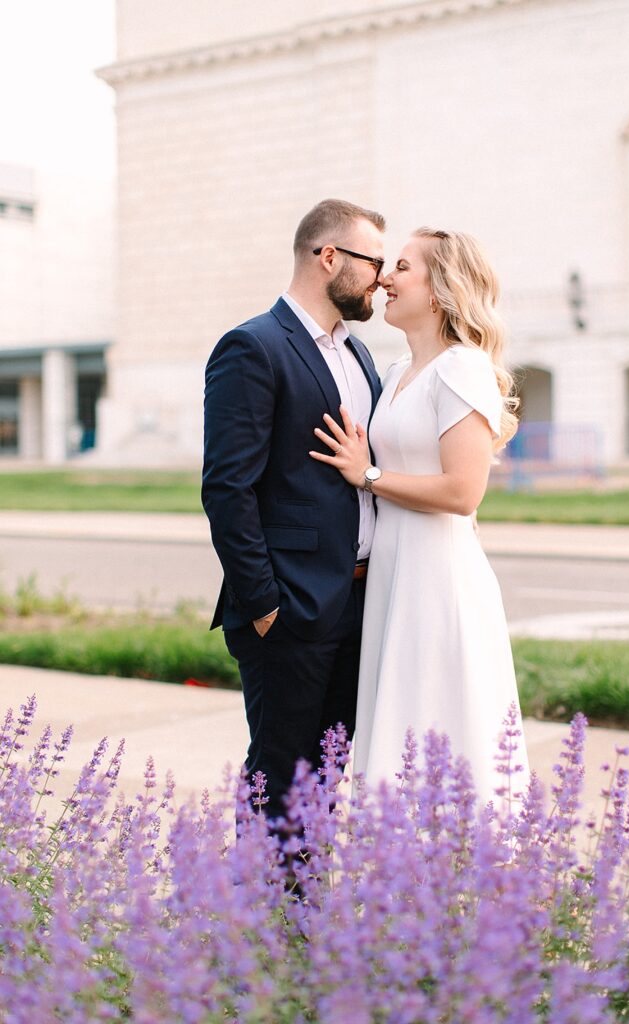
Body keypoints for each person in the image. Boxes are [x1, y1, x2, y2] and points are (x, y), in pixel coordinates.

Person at [310, 228, 530, 803]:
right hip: (394, 568)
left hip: (438, 572)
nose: (384, 277)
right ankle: (401, 872)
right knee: (401, 717)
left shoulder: (461, 368)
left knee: (442, 716)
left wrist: (370, 475)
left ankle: (465, 870)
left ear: (439, 290)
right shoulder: (397, 369)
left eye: (401, 267)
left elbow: (464, 491)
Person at [202, 199, 385, 826]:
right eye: (374, 262)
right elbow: (228, 488)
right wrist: (263, 606)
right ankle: (262, 918)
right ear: (328, 256)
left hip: (359, 602)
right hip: (289, 610)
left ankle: (311, 916)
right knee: (279, 775)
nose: (382, 278)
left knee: (328, 776)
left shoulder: (359, 357)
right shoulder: (253, 346)